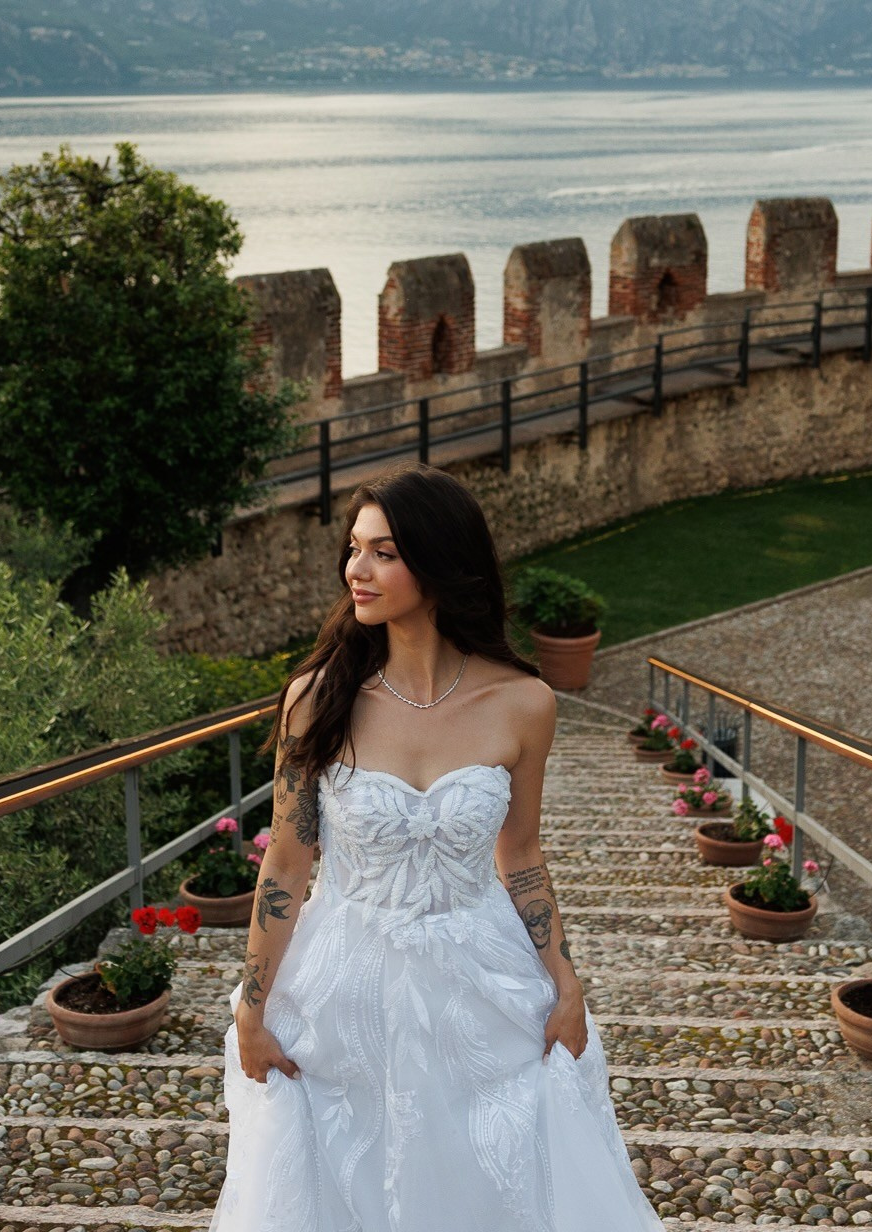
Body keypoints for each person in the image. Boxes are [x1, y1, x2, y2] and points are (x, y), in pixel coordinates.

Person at [210, 465, 663, 1231]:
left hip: (481, 983)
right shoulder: (317, 699)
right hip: (340, 987)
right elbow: (287, 864)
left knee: (495, 1179)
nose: (357, 570)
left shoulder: (524, 703)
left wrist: (566, 981)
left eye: (384, 552)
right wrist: (251, 1011)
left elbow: (520, 853)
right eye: (354, 549)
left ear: (440, 561)